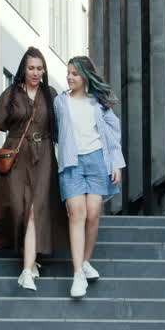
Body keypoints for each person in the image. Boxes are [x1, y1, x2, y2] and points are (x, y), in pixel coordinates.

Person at [0, 47, 66, 291]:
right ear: (23, 69)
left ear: (44, 70)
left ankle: (27, 268)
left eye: (39, 68)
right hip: (16, 154)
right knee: (18, 208)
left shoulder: (51, 94)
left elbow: (68, 125)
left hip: (45, 155)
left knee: (36, 211)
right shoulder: (12, 94)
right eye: (31, 68)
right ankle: (29, 256)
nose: (35, 73)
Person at [54, 55, 125, 299]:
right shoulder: (60, 102)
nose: (69, 77)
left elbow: (113, 135)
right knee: (77, 213)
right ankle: (77, 274)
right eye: (68, 73)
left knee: (93, 213)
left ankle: (85, 262)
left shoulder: (99, 103)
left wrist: (116, 164)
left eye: (74, 73)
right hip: (72, 163)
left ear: (85, 76)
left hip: (97, 160)